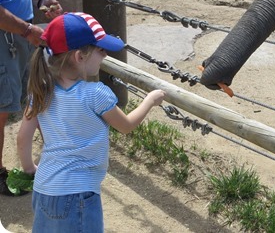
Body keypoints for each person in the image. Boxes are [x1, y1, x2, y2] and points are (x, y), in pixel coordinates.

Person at [17, 12, 166, 233]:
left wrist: (29, 167)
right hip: (78, 194)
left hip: (44, 190)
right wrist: (150, 101)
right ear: (80, 56)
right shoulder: (95, 94)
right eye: (101, 49)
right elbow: (125, 126)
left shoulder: (40, 91)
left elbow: (22, 137)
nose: (105, 55)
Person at [0, 0, 63, 195]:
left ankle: (36, 161)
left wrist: (40, 0)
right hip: (5, 37)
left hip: (21, 33)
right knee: (1, 108)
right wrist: (27, 30)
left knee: (32, 98)